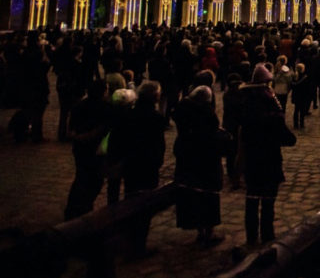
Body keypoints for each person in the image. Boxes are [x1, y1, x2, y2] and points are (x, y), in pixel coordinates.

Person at [239, 63, 297, 246]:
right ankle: (267, 233)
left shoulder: (245, 103)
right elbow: (285, 136)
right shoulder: (271, 108)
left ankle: (251, 235)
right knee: (268, 199)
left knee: (252, 198)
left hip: (251, 157)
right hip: (269, 157)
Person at [173, 86, 223, 247]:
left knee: (193, 193)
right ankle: (208, 231)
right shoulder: (206, 115)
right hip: (205, 159)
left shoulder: (183, 111)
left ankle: (200, 229)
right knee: (207, 195)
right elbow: (212, 135)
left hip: (187, 156)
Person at [120, 81, 166, 258]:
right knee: (144, 204)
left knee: (131, 198)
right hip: (147, 165)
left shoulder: (129, 114)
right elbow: (158, 144)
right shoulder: (156, 118)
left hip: (131, 164)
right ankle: (138, 245)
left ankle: (129, 238)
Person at [64, 80, 110, 220]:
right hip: (95, 149)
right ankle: (84, 207)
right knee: (94, 180)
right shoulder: (105, 108)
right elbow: (103, 128)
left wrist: (77, 137)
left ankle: (73, 208)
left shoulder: (79, 105)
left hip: (80, 148)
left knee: (81, 177)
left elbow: (70, 128)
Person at [290, 62, 313, 129]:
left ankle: (295, 124)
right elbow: (308, 88)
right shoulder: (305, 77)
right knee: (302, 111)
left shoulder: (294, 77)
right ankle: (302, 124)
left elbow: (292, 86)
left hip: (296, 95)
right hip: (303, 96)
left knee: (296, 110)